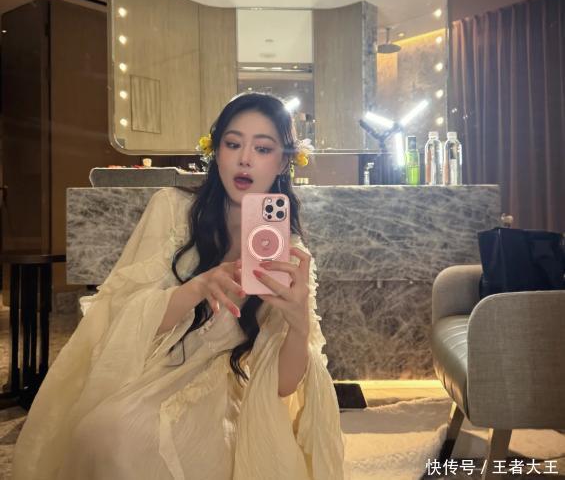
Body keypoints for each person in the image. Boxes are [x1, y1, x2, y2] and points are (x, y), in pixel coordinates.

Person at [12, 92, 345, 480]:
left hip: (228, 394)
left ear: (284, 161)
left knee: (128, 439)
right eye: (233, 144)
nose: (245, 159)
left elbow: (283, 387)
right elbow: (120, 319)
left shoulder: (289, 252)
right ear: (216, 152)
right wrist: (197, 287)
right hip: (153, 371)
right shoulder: (171, 209)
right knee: (102, 432)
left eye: (263, 148)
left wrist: (299, 322)